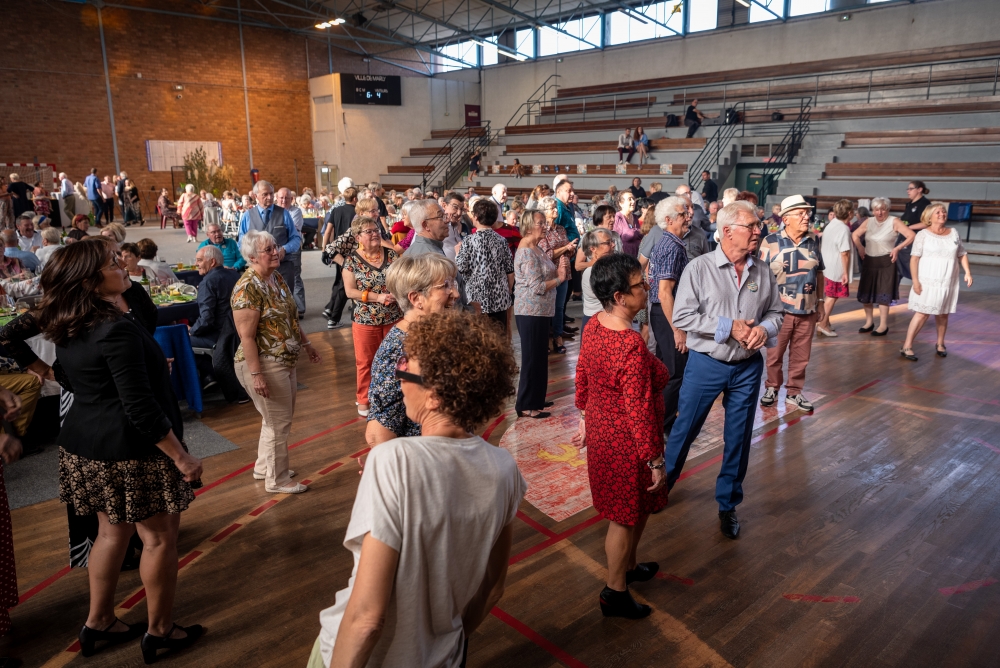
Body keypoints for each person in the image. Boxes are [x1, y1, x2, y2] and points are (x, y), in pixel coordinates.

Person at [312, 310, 524, 668]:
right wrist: (448, 643)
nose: (400, 380)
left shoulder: (393, 460)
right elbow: (493, 588)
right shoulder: (505, 469)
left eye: (405, 370)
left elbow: (366, 619)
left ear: (435, 396)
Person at [36, 239, 205, 663]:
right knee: (159, 538)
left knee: (112, 532)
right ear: (89, 282)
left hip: (84, 443)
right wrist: (181, 457)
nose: (122, 265)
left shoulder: (69, 321)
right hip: (130, 450)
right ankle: (160, 631)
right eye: (113, 263)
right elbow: (141, 410)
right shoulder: (115, 329)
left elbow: (84, 377)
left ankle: (99, 622)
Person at [663, 201, 784, 539]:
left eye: (759, 225)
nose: (759, 230)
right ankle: (662, 487)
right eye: (752, 225)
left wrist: (765, 330)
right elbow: (683, 316)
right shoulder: (700, 268)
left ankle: (728, 505)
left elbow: (776, 313)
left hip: (747, 368)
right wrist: (728, 326)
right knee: (685, 429)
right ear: (727, 231)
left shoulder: (763, 271)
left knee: (739, 438)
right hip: (706, 364)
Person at [573, 253, 668, 619]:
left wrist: (584, 415)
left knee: (632, 508)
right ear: (619, 297)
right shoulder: (628, 344)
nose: (646, 287)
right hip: (626, 440)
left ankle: (628, 567)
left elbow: (583, 372)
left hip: (604, 430)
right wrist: (654, 459)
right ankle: (614, 591)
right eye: (639, 284)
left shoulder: (595, 325)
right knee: (624, 516)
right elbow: (638, 409)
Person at [232, 230, 321, 494]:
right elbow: (246, 337)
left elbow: (290, 317)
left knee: (274, 418)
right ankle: (277, 479)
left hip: (284, 360)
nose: (275, 252)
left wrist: (307, 344)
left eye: (275, 246)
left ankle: (264, 467)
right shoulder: (247, 288)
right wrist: (256, 374)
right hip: (263, 362)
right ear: (252, 257)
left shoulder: (275, 277)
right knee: (277, 422)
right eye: (268, 250)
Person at [365, 254, 459, 447]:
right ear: (417, 299)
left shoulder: (436, 334)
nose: (455, 294)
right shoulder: (397, 350)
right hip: (424, 458)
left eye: (453, 284)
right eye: (445, 286)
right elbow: (379, 434)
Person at [758, 195, 826, 412]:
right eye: (801, 213)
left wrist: (821, 302)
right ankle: (772, 388)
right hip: (779, 312)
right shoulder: (770, 241)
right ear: (786, 219)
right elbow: (759, 276)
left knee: (801, 356)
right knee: (774, 354)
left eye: (807, 213)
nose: (807, 217)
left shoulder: (813, 240)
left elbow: (820, 272)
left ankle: (794, 392)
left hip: (807, 309)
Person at [343, 216, 403, 417]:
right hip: (365, 320)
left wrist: (397, 291)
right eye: (368, 231)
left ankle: (395, 396)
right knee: (366, 362)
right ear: (358, 237)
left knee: (396, 359)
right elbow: (350, 291)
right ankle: (364, 400)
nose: (375, 234)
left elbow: (402, 279)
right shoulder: (351, 261)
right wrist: (377, 297)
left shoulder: (392, 255)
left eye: (376, 230)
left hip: (394, 317)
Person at [900, 202, 973, 362]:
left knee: (943, 314)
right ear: (929, 217)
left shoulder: (954, 233)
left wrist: (967, 272)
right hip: (927, 281)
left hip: (947, 280)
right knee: (922, 313)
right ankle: (907, 345)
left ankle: (940, 343)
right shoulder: (923, 235)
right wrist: (915, 281)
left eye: (943, 212)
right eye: (938, 212)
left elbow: (962, 253)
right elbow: (914, 259)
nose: (942, 214)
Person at [514, 209, 568, 418]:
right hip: (530, 311)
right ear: (528, 227)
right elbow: (537, 287)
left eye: (545, 222)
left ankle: (536, 398)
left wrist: (559, 267)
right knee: (531, 358)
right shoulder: (527, 252)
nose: (545, 226)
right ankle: (526, 405)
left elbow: (545, 273)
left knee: (539, 358)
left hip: (541, 311)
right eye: (540, 223)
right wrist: (560, 278)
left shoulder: (536, 248)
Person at [648, 196, 692, 438]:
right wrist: (678, 329)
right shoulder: (672, 246)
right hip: (668, 314)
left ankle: (659, 420)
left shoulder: (667, 242)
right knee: (675, 373)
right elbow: (665, 292)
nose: (687, 217)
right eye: (682, 214)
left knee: (666, 371)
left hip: (662, 313)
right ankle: (663, 425)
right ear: (669, 220)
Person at [852, 197, 915, 336]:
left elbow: (911, 235)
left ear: (888, 209)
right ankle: (869, 322)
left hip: (887, 262)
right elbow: (855, 234)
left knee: (883, 294)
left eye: (883, 209)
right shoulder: (868, 221)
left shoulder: (894, 221)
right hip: (869, 261)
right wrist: (860, 247)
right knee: (866, 293)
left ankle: (883, 325)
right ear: (872, 210)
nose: (879, 212)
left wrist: (898, 248)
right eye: (876, 210)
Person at [456, 199, 514, 331]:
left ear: (476, 216)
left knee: (480, 339)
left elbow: (461, 267)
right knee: (498, 338)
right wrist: (508, 290)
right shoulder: (501, 240)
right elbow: (510, 271)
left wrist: (457, 253)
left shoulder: (469, 241)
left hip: (477, 301)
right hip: (499, 300)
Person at [237, 180, 301, 292]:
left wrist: (285, 249)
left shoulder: (283, 213)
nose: (270, 197)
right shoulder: (247, 216)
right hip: (258, 270)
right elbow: (241, 243)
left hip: (282, 267)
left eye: (271, 193)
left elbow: (296, 238)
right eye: (265, 194)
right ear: (256, 196)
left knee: (285, 299)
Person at [537, 197, 576, 352]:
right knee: (548, 307)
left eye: (555, 207)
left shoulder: (561, 229)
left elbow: (567, 249)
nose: (555, 210)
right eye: (552, 208)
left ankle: (558, 337)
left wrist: (571, 250)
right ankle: (546, 339)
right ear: (544, 211)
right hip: (549, 274)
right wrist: (566, 248)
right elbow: (547, 254)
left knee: (559, 308)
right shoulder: (542, 230)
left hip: (564, 272)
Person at [188, 245, 240, 349]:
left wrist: (191, 331)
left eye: (199, 260)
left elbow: (206, 321)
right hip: (238, 332)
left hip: (219, 336)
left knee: (176, 339)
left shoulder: (208, 282)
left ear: (212, 262)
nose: (196, 264)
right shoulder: (235, 275)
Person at [817, 199, 854, 338]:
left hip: (827, 265)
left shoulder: (832, 224)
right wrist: (845, 272)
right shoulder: (843, 229)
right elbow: (844, 253)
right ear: (849, 213)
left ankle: (825, 322)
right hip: (836, 267)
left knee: (830, 295)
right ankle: (822, 324)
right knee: (832, 296)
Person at [321, 186, 357, 329]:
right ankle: (334, 316)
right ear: (355, 198)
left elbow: (328, 231)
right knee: (345, 284)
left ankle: (331, 310)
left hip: (337, 251)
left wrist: (324, 250)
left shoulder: (336, 210)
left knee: (339, 281)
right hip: (352, 250)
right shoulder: (356, 212)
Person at [579, 228, 618, 334]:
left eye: (612, 241)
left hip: (607, 321)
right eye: (607, 243)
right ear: (593, 248)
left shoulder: (607, 268)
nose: (613, 245)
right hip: (596, 324)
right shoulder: (591, 272)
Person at [275, 187, 306, 316]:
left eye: (286, 198)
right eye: (281, 198)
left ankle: (300, 308)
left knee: (295, 277)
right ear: (277, 198)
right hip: (276, 250)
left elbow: (291, 230)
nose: (284, 200)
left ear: (291, 199)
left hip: (292, 249)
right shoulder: (274, 212)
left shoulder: (295, 212)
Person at [896, 180, 931, 290]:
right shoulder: (909, 204)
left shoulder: (925, 204)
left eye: (911, 189)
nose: (908, 191)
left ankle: (921, 288)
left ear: (919, 189)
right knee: (895, 264)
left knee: (911, 266)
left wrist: (908, 228)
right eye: (907, 189)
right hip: (903, 237)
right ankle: (891, 294)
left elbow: (927, 223)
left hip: (915, 239)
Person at [613, 190, 643, 258]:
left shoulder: (635, 217)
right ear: (621, 203)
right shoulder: (617, 217)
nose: (633, 201)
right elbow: (615, 242)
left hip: (637, 257)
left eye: (634, 199)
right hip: (624, 258)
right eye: (629, 199)